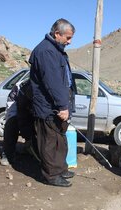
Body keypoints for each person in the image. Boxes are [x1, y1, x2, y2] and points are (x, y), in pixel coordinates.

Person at [29, 18, 76, 187]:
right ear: (57, 34)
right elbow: (53, 82)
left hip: (57, 106)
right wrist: (63, 106)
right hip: (49, 107)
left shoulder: (56, 50)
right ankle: (51, 175)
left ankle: (60, 169)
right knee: (50, 142)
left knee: (60, 139)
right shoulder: (46, 51)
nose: (70, 42)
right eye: (68, 38)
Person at [0, 78, 35, 166]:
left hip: (29, 107)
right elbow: (21, 111)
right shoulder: (23, 86)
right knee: (11, 125)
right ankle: (7, 154)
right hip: (15, 105)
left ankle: (30, 148)